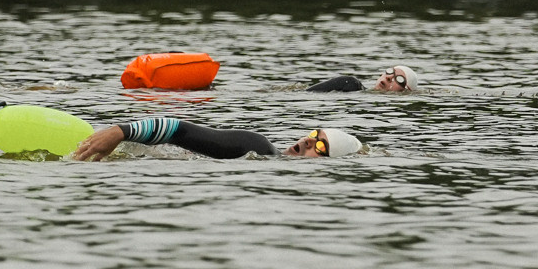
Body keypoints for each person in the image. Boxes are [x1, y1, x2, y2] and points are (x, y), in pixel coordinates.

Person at [69, 115, 364, 161]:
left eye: (321, 146)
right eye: (313, 135)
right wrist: (120, 132)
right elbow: (180, 130)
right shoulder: (256, 147)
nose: (308, 141)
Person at [307, 64, 418, 93]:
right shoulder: (350, 84)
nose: (389, 77)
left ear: (406, 91)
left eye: (399, 80)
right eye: (390, 72)